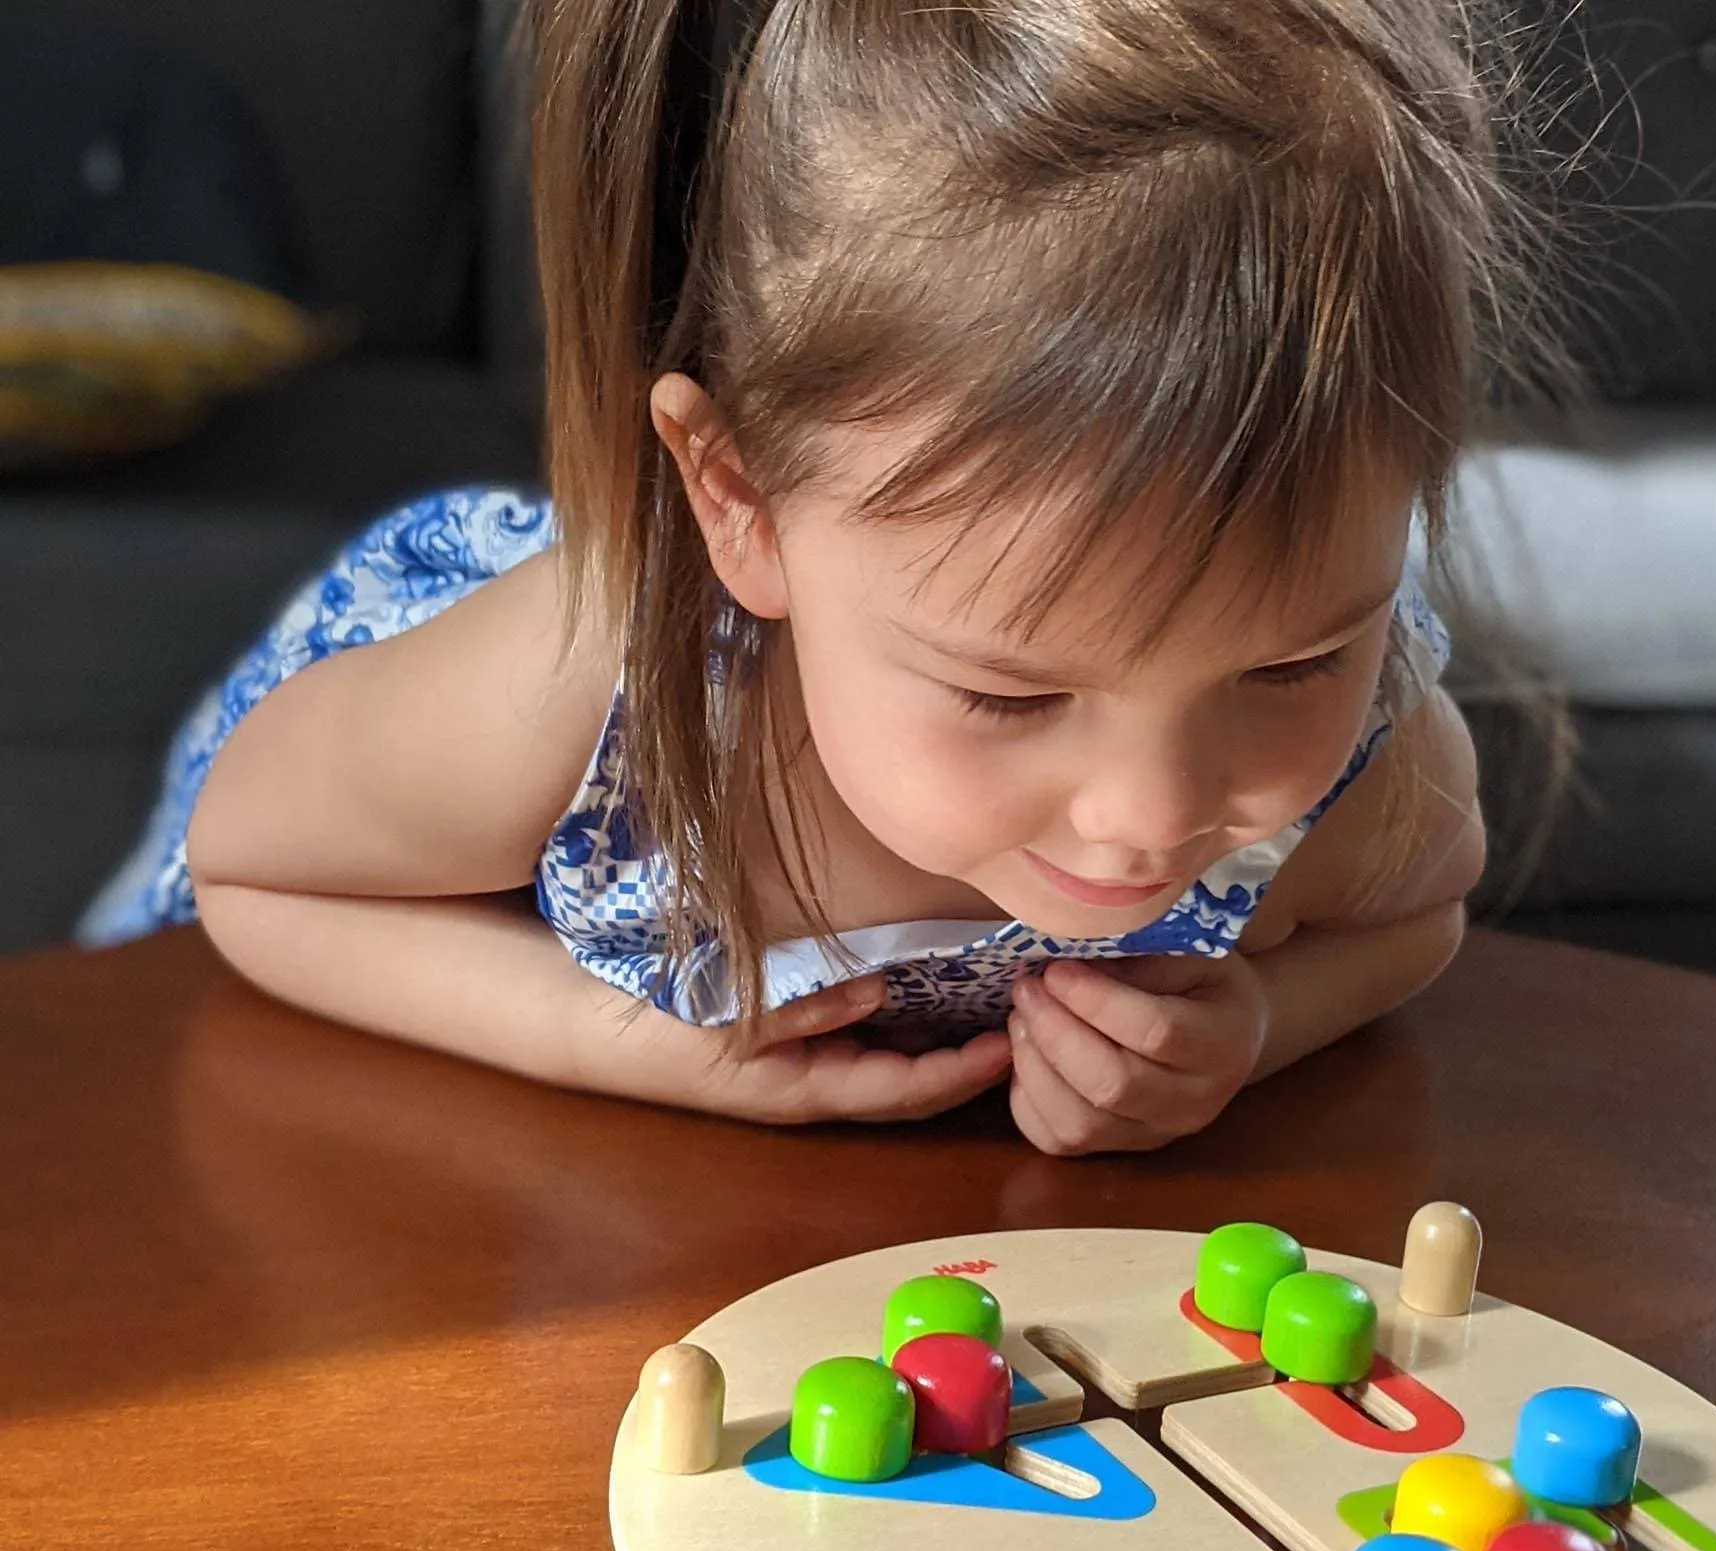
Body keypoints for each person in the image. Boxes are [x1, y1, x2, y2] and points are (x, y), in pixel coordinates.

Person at [83, 0, 1548, 1155]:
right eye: (1007, 691)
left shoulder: (1356, 756)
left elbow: (1419, 913)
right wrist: (637, 1050)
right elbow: (256, 875)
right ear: (742, 506)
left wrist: (1255, 1029)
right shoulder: (579, 681)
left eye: (1291, 664)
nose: (1157, 813)